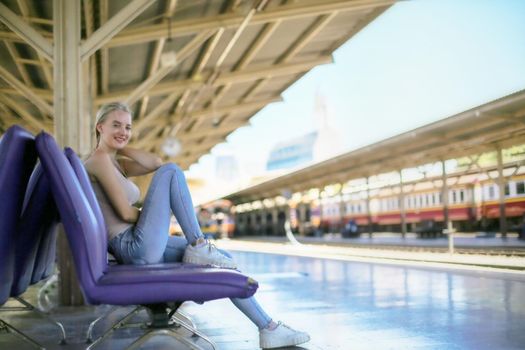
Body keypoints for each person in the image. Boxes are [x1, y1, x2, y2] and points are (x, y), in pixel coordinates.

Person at [84, 102, 310, 349]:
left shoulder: (115, 162)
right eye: (115, 125)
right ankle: (198, 243)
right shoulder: (99, 160)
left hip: (138, 243)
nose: (123, 130)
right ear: (99, 127)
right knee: (171, 172)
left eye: (128, 126)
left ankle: (268, 328)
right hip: (132, 245)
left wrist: (122, 144)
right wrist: (153, 218)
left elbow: (155, 161)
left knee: (221, 258)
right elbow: (127, 214)